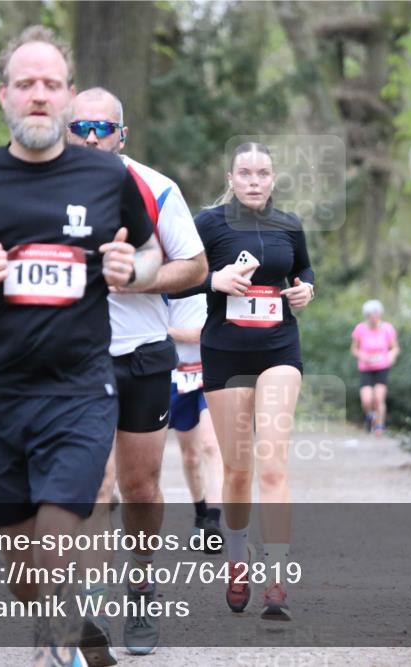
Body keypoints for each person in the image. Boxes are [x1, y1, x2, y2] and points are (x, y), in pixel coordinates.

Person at [0, 26, 161, 667]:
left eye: (52, 84)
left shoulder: (108, 178)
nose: (40, 95)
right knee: (24, 570)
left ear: (70, 97)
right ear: (5, 97)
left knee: (56, 537)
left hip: (79, 390)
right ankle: (67, 627)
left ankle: (56, 651)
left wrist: (136, 268)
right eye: (27, 84)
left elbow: (154, 249)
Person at [66, 87, 207, 656]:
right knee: (91, 484)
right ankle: (88, 604)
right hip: (74, 358)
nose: (92, 138)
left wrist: (138, 279)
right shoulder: (38, 192)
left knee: (140, 485)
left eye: (104, 128)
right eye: (82, 128)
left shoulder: (155, 187)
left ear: (122, 135)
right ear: (65, 131)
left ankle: (143, 586)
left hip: (144, 353)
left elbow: (195, 266)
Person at [174, 141, 315, 623]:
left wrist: (305, 289)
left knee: (272, 463)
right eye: (245, 173)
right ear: (231, 178)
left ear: (273, 179)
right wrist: (214, 281)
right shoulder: (209, 223)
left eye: (263, 173)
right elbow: (180, 277)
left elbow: (303, 269)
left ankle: (277, 576)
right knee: (237, 470)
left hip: (279, 350)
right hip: (226, 354)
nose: (254, 181)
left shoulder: (289, 224)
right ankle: (238, 561)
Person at [167, 293, 225, 551]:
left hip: (209, 368)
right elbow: (153, 325)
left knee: (212, 445)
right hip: (173, 372)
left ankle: (214, 522)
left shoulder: (217, 265)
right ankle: (201, 514)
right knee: (190, 456)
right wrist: (188, 335)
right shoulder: (167, 266)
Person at [351, 299, 399, 436]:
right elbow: (354, 349)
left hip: (382, 366)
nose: (373, 317)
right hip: (366, 367)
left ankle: (379, 425)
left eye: (376, 314)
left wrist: (391, 355)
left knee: (378, 398)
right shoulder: (360, 329)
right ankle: (369, 417)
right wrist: (362, 356)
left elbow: (394, 347)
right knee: (367, 399)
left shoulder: (387, 329)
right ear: (367, 316)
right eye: (370, 315)